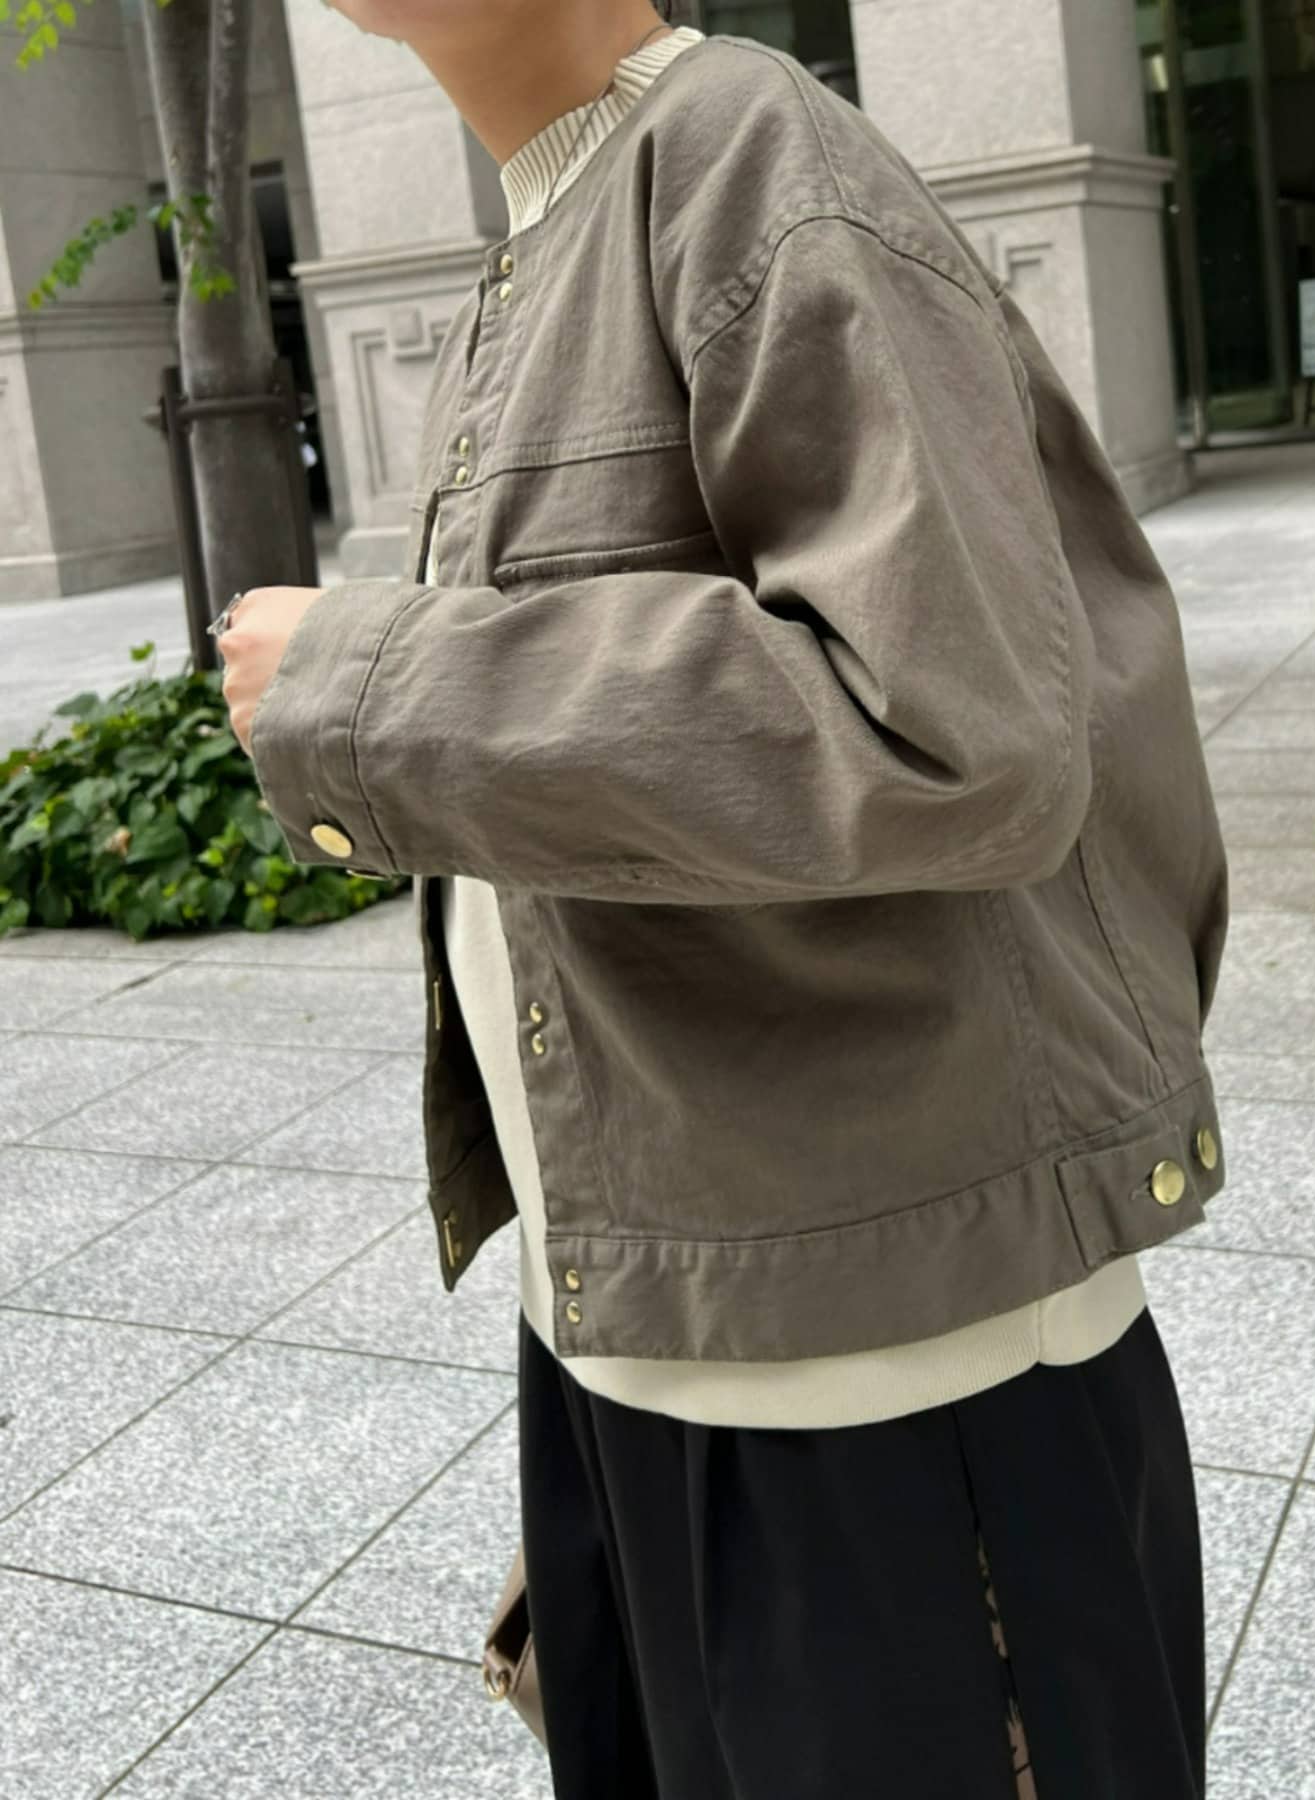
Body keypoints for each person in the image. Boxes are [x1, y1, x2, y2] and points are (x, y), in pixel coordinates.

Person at [222, 3, 1230, 1796]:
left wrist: (369, 684)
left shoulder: (750, 157)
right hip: (665, 1313)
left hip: (887, 1372)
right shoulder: (566, 215)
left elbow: (956, 726)